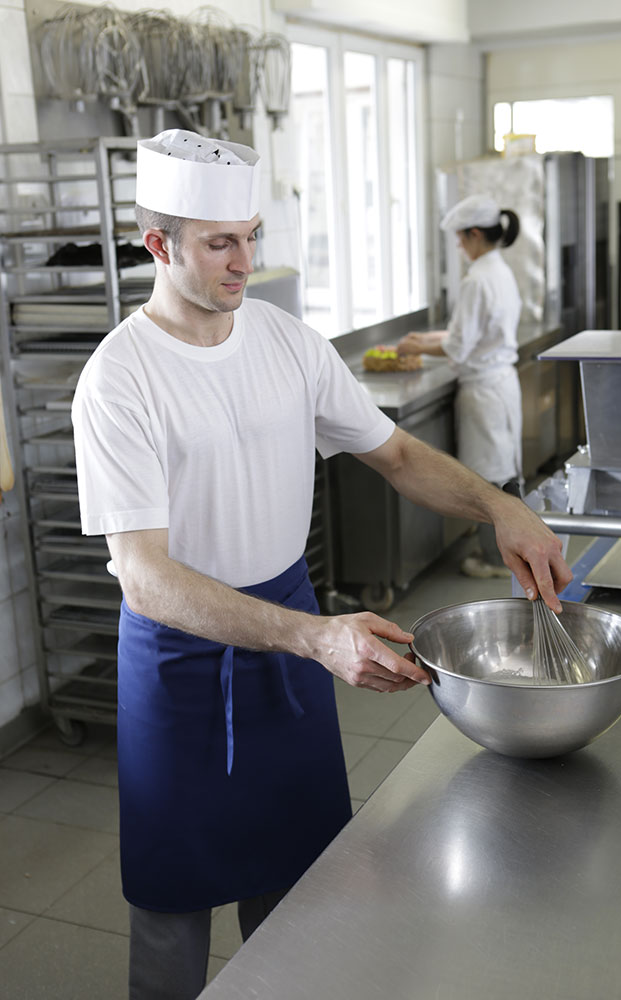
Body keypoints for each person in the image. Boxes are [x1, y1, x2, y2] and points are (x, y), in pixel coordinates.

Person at [71, 131, 571, 1000]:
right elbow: (145, 576)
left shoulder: (284, 340)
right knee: (172, 902)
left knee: (302, 879)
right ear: (159, 245)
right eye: (220, 243)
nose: (245, 261)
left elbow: (396, 455)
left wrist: (501, 507)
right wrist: (312, 637)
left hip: (294, 638)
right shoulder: (120, 379)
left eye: (252, 236)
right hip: (182, 659)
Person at [397, 193, 523, 580]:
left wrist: (419, 344)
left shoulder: (476, 279)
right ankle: (505, 549)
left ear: (472, 235)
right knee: (503, 474)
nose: (457, 246)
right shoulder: (498, 270)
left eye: (459, 238)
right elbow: (466, 334)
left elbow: (458, 344)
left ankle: (494, 559)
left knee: (488, 481)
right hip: (501, 385)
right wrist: (425, 339)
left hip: (485, 392)